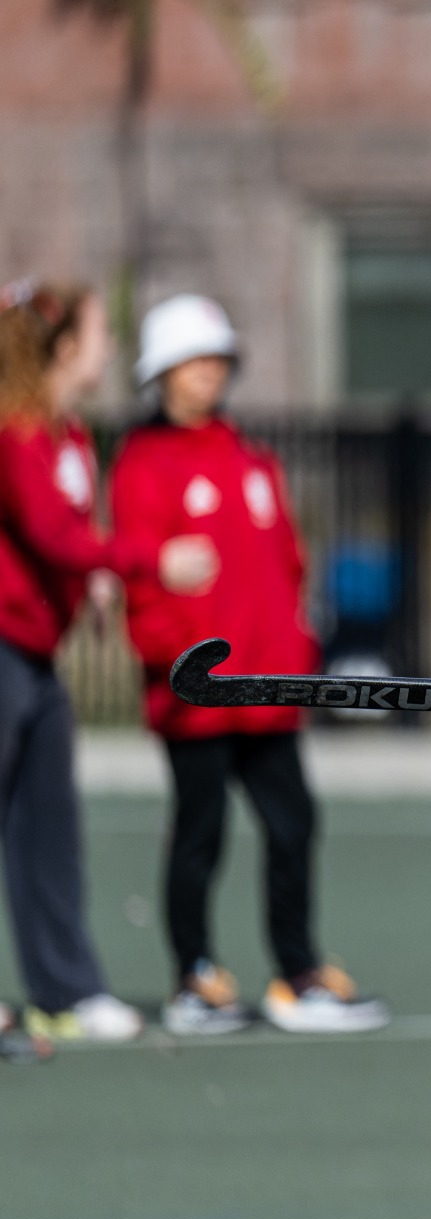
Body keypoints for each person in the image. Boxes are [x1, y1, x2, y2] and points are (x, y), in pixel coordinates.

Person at [111, 294, 390, 1036]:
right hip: (196, 697)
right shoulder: (143, 464)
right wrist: (179, 662)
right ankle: (194, 978)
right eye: (193, 359)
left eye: (217, 358)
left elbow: (286, 563)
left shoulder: (250, 457)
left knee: (294, 823)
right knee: (199, 835)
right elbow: (143, 586)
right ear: (163, 372)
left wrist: (295, 650)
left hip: (268, 690)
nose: (210, 371)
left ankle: (298, 974)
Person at [0, 279, 216, 1042]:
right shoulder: (17, 431)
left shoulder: (69, 436)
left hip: (36, 656)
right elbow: (50, 533)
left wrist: (90, 582)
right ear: (63, 348)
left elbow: (65, 538)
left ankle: (67, 989)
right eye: (98, 334)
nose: (111, 348)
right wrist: (151, 560)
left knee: (49, 826)